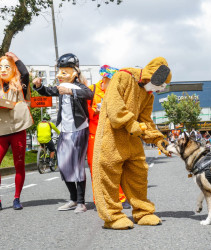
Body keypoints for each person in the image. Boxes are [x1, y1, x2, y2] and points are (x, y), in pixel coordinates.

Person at [92, 57, 172, 230]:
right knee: (108, 176)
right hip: (111, 137)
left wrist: (158, 139)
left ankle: (143, 212)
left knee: (138, 174)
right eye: (160, 85)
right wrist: (131, 124)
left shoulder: (148, 96)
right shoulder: (123, 77)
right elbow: (114, 108)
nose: (160, 89)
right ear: (152, 76)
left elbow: (146, 120)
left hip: (132, 139)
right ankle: (111, 216)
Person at [33, 53, 93, 213]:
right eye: (59, 72)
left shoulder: (79, 87)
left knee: (78, 165)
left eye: (64, 72)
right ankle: (73, 199)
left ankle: (81, 202)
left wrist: (70, 92)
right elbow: (46, 91)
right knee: (64, 165)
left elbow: (89, 94)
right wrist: (38, 86)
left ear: (75, 73)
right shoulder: (59, 88)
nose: (59, 75)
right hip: (65, 131)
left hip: (79, 129)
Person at [86, 65, 130, 210]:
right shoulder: (92, 90)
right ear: (104, 78)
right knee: (96, 168)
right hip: (94, 134)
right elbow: (86, 112)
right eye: (111, 79)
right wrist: (97, 111)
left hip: (112, 132)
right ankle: (98, 199)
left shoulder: (117, 91)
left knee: (114, 166)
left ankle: (121, 197)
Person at [0, 52, 33, 210]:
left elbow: (25, 72)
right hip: (1, 131)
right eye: (0, 67)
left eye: (7, 66)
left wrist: (14, 56)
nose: (3, 69)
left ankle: (16, 198)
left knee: (19, 165)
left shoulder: (20, 83)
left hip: (18, 129)